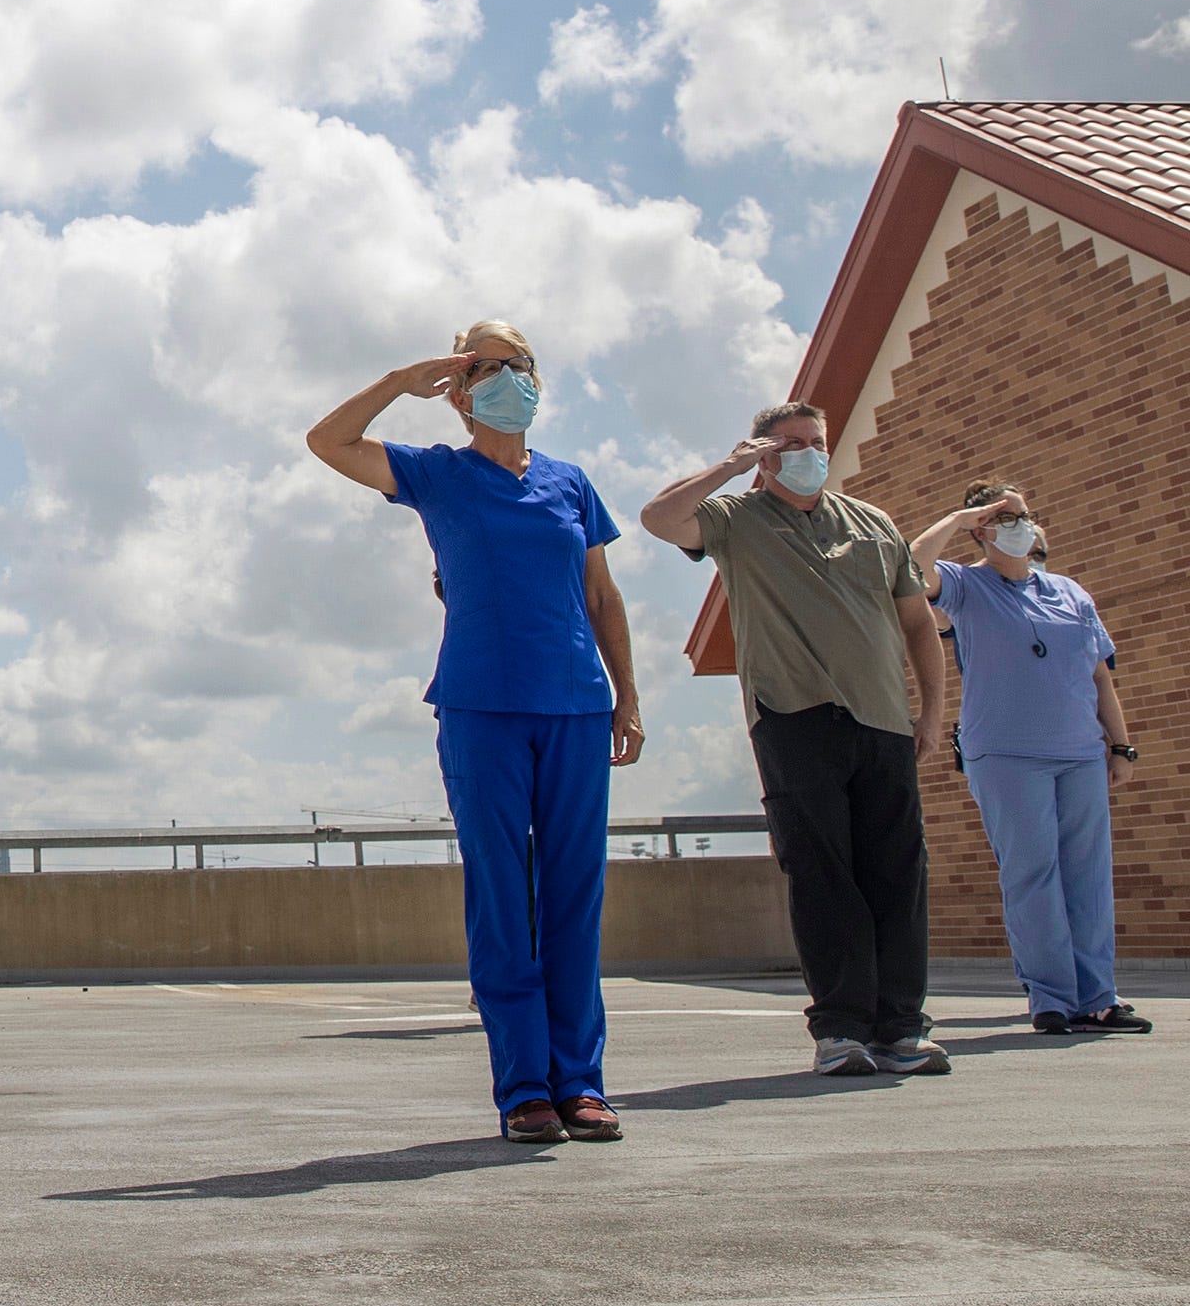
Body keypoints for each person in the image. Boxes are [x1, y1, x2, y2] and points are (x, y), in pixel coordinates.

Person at [307, 324, 645, 1143]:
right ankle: (525, 1087)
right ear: (458, 389)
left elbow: (601, 597)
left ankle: (582, 1083)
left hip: (576, 705)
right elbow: (329, 441)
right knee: (503, 895)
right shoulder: (438, 473)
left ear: (537, 378)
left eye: (516, 362)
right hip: (481, 705)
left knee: (575, 895)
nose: (505, 377)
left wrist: (626, 695)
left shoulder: (570, 484)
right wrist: (400, 376)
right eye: (483, 364)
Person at [641, 402, 954, 1078]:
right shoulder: (736, 520)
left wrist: (930, 712)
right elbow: (660, 518)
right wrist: (731, 466)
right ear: (763, 452)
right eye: (789, 444)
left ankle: (902, 1029)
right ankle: (841, 1030)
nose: (807, 452)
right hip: (792, 717)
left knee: (897, 876)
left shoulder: (874, 524)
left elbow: (917, 623)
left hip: (882, 720)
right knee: (822, 876)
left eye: (815, 441)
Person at [907, 485, 1151, 1037]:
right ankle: (1051, 999)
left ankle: (1099, 998)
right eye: (1002, 517)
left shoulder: (1070, 592)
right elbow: (911, 564)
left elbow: (1099, 676)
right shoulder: (965, 584)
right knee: (1033, 875)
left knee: (1088, 877)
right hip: (1007, 755)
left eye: (1022, 515)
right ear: (981, 529)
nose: (1017, 524)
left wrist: (1120, 745)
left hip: (1080, 753)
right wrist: (958, 514)